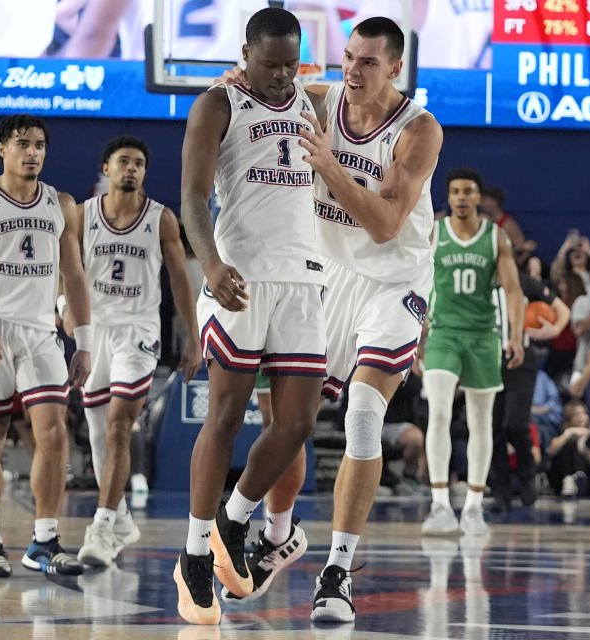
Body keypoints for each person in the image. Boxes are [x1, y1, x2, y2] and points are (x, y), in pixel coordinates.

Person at [214, 16, 442, 622]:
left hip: (394, 280)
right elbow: (270, 91)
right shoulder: (322, 100)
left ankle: (337, 571)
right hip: (326, 277)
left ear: (396, 68)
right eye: (348, 58)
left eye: (369, 62)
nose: (353, 71)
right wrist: (238, 82)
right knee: (289, 420)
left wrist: (330, 166)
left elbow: (387, 224)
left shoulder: (419, 130)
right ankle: (277, 533)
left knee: (365, 416)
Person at [174, 8, 328, 625]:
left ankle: (233, 520)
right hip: (240, 275)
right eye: (271, 64)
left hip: (304, 280)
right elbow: (190, 195)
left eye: (292, 63)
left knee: (296, 424)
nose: (282, 75)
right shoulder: (217, 104)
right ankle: (192, 552)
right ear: (246, 53)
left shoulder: (308, 102)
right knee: (227, 414)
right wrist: (208, 262)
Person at [0, 114, 91, 578]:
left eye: (40, 145)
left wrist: (83, 341)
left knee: (54, 433)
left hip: (41, 333)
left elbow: (75, 276)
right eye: (23, 144)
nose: (33, 152)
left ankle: (45, 540)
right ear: (3, 149)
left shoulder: (61, 204)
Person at [75, 135, 200, 567]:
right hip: (94, 330)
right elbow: (64, 270)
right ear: (105, 169)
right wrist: (64, 311)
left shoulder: (161, 218)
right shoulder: (82, 215)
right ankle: (123, 517)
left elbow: (181, 280)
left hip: (138, 332)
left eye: (140, 163)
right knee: (96, 433)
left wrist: (193, 336)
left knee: (117, 426)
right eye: (124, 161)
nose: (132, 168)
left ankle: (103, 524)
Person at [420, 168, 524, 536]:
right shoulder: (436, 233)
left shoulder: (496, 238)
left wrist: (516, 335)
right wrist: (418, 334)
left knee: (482, 420)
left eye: (468, 191)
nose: (461, 197)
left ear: (479, 197)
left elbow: (513, 290)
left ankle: (475, 507)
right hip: (444, 333)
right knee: (439, 412)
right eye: (454, 191)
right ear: (448, 197)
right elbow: (418, 283)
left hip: (483, 335)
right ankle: (440, 504)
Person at [489, 274, 570, 510]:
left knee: (515, 424)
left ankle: (528, 476)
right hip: (488, 360)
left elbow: (562, 310)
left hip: (522, 359)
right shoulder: (480, 278)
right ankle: (501, 491)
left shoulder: (525, 282)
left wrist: (554, 330)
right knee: (493, 430)